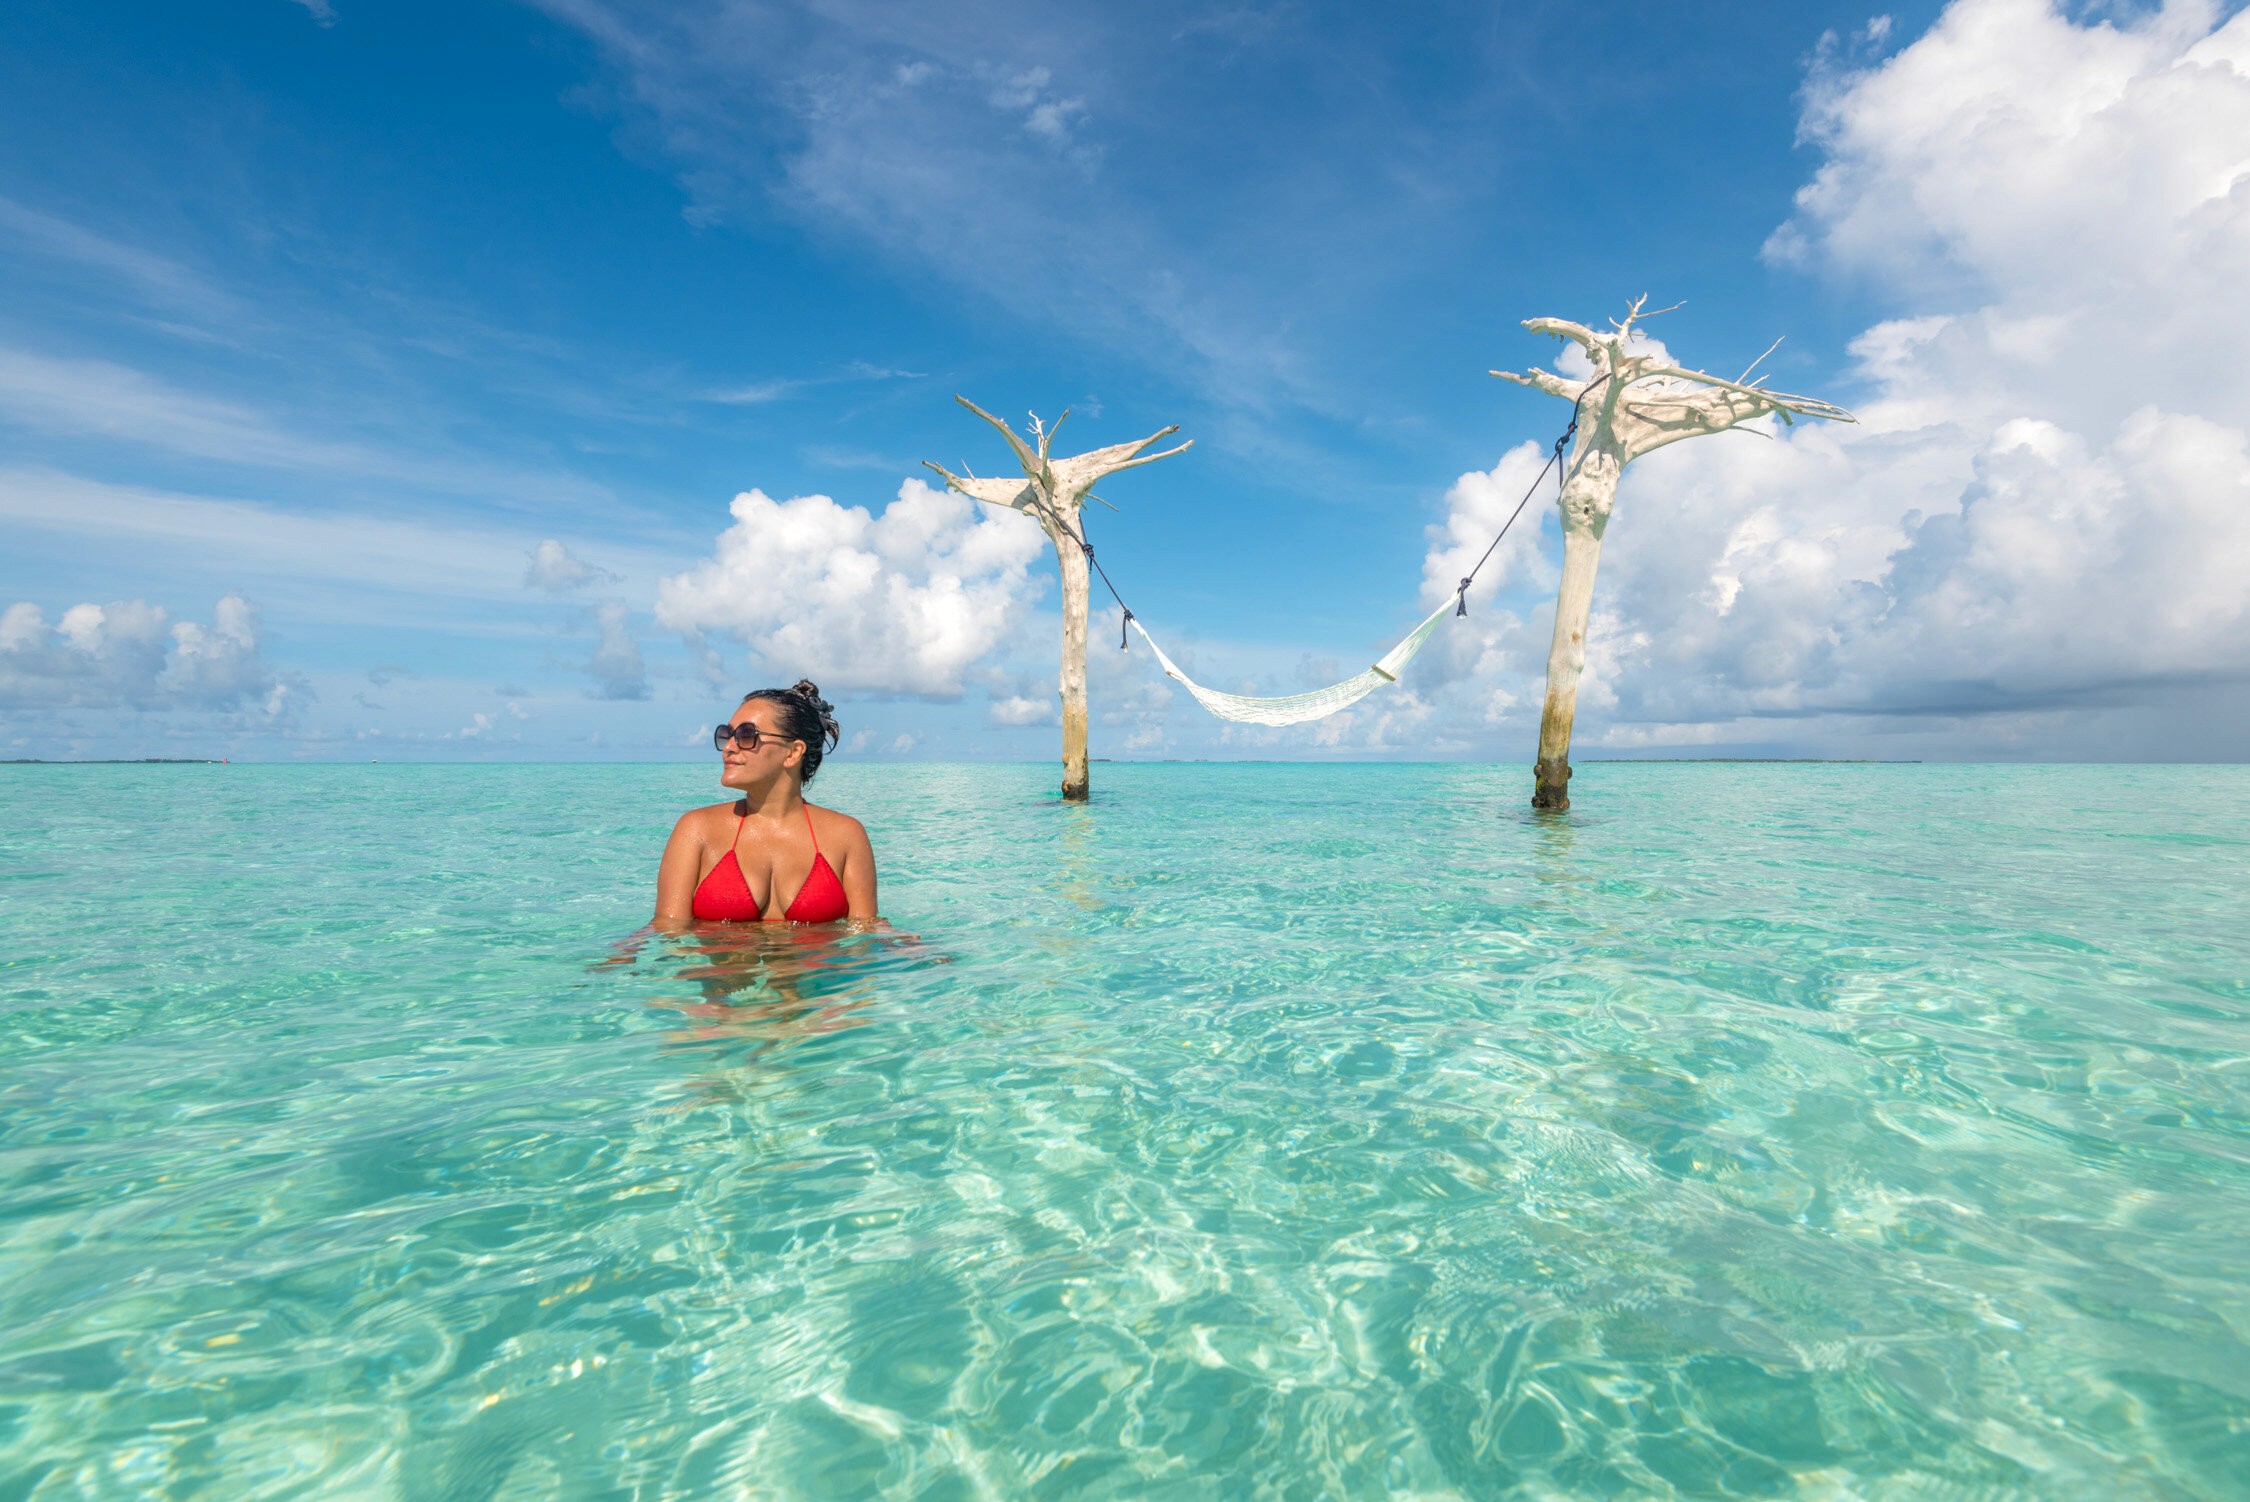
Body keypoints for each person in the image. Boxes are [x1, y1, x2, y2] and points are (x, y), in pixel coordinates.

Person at [654, 680, 878, 925]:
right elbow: (668, 931)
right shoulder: (696, 829)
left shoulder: (846, 835)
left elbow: (865, 930)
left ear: (793, 752)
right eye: (726, 735)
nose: (728, 747)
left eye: (746, 735)